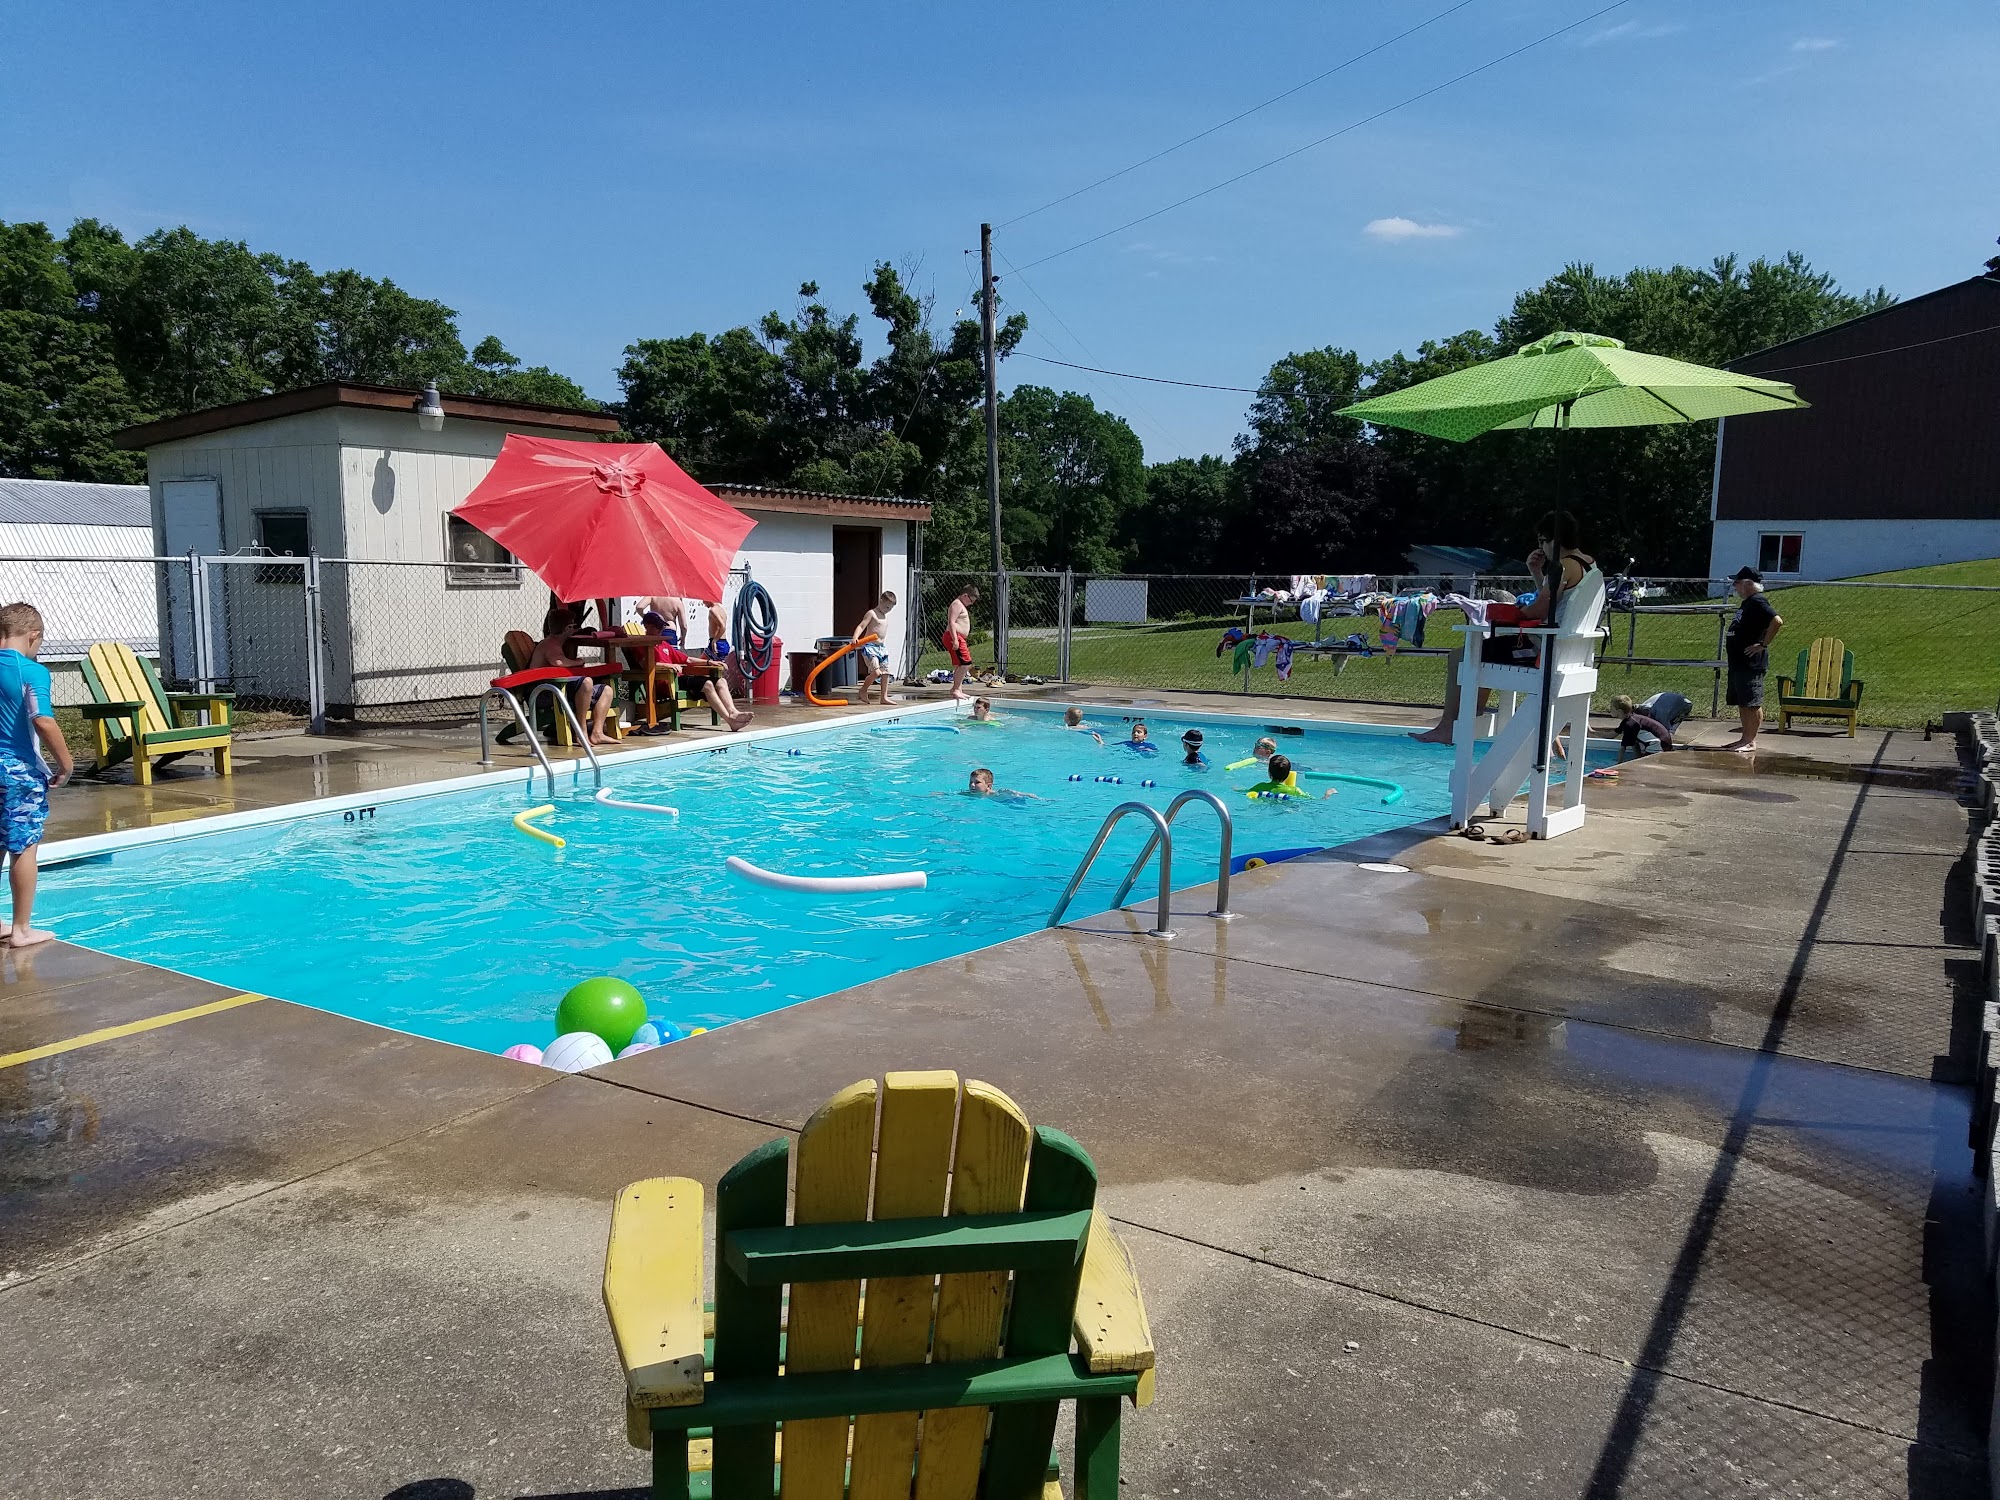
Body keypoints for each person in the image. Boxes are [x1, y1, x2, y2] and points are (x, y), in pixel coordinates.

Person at [1412, 514, 1595, 744]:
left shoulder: (1563, 565)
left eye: (1542, 541)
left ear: (1554, 540)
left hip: (1541, 652)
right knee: (1488, 650)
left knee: (1460, 656)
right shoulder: (1589, 564)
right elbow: (1553, 603)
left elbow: (1540, 610)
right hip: (1566, 652)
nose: (1541, 548)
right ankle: (1472, 714)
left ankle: (1447, 726)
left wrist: (1519, 612)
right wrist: (1536, 572)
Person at [0, 602, 74, 948]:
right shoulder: (31, 671)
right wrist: (65, 764)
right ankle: (21, 929)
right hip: (16, 770)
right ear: (33, 635)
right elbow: (42, 720)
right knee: (24, 846)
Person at [527, 605, 618, 746]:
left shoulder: (557, 643)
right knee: (586, 682)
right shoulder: (550, 644)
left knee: (606, 690)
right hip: (544, 693)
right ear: (567, 628)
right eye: (573, 627)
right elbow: (558, 662)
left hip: (557, 688)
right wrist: (578, 662)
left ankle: (597, 733)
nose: (575, 630)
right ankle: (581, 732)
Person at [1722, 566, 1783, 752]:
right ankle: (1744, 739)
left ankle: (1750, 741)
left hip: (1751, 663)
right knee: (1743, 703)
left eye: (1737, 582)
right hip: (1739, 663)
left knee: (1751, 703)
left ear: (1748, 584)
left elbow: (1777, 621)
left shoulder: (1758, 601)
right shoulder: (1748, 603)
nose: (1735, 586)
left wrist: (1762, 645)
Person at [853, 591, 898, 705]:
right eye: (886, 607)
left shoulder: (884, 616)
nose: (888, 610)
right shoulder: (872, 613)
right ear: (881, 601)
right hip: (870, 647)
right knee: (877, 672)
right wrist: (855, 637)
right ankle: (863, 689)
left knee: (886, 672)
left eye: (890, 608)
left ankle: (884, 697)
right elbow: (861, 626)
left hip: (881, 648)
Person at [1609, 694, 1676, 760]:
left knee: (1645, 763)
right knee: (1641, 760)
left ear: (1619, 711)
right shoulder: (1631, 719)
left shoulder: (1629, 724)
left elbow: (1623, 748)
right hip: (1663, 740)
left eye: (1612, 708)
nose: (1610, 709)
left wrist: (1618, 763)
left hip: (1658, 743)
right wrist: (1636, 759)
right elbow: (1633, 743)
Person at [942, 587, 979, 701]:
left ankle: (959, 689)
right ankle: (955, 689)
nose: (971, 603)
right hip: (954, 636)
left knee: (960, 664)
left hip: (958, 637)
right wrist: (955, 639)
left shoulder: (960, 605)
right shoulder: (957, 604)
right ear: (965, 595)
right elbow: (951, 622)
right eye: (971, 600)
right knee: (966, 663)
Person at [965, 767, 1037, 801]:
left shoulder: (998, 794)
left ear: (988, 786)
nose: (972, 785)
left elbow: (1018, 794)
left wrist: (1030, 796)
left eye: (977, 782)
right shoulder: (968, 794)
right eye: (971, 782)